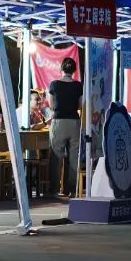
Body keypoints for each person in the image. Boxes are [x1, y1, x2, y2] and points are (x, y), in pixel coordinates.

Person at [48, 57, 83, 196]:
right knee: (74, 157)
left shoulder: (54, 84)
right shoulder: (78, 85)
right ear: (74, 70)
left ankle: (54, 189)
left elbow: (52, 105)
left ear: (61, 69)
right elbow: (80, 105)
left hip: (59, 122)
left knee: (56, 155)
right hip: (74, 122)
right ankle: (71, 189)